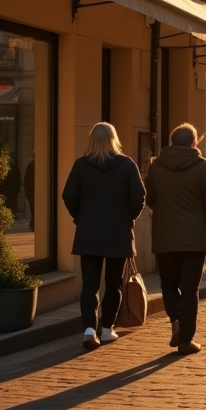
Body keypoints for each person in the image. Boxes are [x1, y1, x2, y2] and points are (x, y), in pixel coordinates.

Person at [62, 122, 146, 351]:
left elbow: (68, 195)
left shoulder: (81, 165)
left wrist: (81, 217)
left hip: (89, 233)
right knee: (113, 283)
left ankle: (89, 329)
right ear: (114, 139)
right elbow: (139, 197)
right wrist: (130, 217)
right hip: (118, 234)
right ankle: (107, 328)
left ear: (92, 140)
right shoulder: (127, 165)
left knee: (89, 284)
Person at [146, 123, 206, 355]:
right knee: (189, 289)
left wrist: (164, 215)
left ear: (171, 143)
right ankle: (185, 341)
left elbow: (149, 197)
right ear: (194, 143)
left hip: (165, 237)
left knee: (168, 284)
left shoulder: (157, 167)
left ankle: (176, 323)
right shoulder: (203, 167)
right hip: (195, 238)